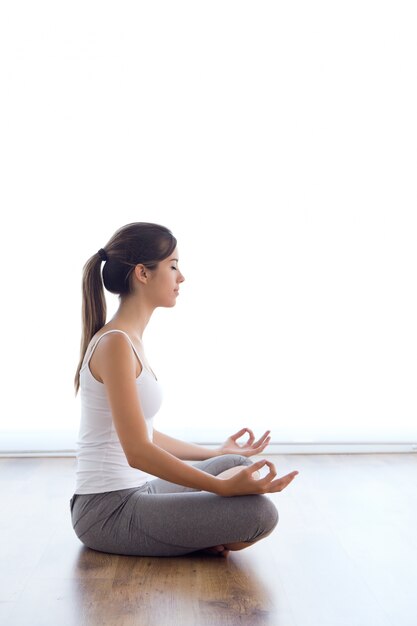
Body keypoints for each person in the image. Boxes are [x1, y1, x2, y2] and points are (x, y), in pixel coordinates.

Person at [69, 222, 298, 557]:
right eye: (173, 266)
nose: (181, 277)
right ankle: (193, 534)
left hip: (138, 492)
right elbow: (138, 452)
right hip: (107, 513)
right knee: (260, 515)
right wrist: (220, 488)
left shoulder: (127, 339)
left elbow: (145, 434)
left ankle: (192, 530)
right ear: (142, 274)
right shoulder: (115, 343)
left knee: (233, 461)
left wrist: (214, 454)